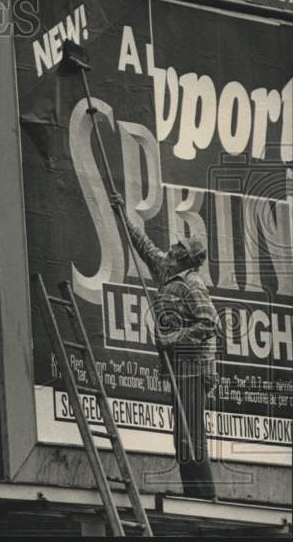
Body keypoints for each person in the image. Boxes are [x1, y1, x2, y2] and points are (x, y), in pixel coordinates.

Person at [110, 193, 220, 500]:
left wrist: (173, 339)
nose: (171, 248)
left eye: (178, 248)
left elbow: (210, 323)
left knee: (191, 435)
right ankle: (194, 494)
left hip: (194, 368)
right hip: (179, 366)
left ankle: (205, 497)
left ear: (185, 258)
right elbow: (143, 246)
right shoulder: (165, 270)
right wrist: (122, 213)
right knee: (181, 437)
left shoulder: (191, 284)